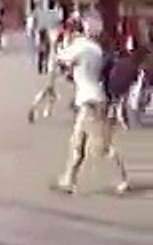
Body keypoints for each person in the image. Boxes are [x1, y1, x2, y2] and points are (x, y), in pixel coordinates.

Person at [53, 14, 130, 195]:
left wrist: (60, 42)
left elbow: (60, 58)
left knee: (101, 145)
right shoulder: (97, 50)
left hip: (90, 103)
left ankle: (122, 179)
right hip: (94, 99)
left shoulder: (80, 47)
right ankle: (68, 180)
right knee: (77, 143)